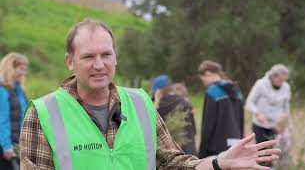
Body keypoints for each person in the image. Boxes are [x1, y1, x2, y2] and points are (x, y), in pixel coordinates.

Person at [20, 18, 280, 170]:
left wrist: (217, 163)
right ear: (69, 61)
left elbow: (174, 164)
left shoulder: (140, 103)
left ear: (115, 58)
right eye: (88, 56)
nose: (99, 64)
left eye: (106, 55)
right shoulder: (44, 113)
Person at [245, 64, 291, 167]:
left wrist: (287, 125)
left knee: (275, 152)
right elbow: (249, 102)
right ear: (273, 76)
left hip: (276, 126)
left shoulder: (286, 87)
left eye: (284, 80)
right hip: (260, 125)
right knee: (262, 153)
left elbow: (286, 107)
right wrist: (257, 113)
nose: (282, 82)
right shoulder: (260, 84)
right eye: (280, 79)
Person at [198, 60, 244, 158]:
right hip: (235, 143)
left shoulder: (212, 91)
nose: (204, 83)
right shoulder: (237, 91)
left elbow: (208, 124)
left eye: (203, 80)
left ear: (208, 74)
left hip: (216, 148)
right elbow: (241, 121)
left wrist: (202, 152)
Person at [0, 52, 28, 170]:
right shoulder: (2, 90)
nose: (23, 73)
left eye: (24, 69)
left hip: (16, 144)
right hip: (5, 147)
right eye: (20, 69)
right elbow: (2, 119)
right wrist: (6, 146)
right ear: (10, 68)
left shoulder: (18, 89)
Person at [153, 81, 197, 155]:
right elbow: (194, 129)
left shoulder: (161, 106)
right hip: (190, 147)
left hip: (171, 152)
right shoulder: (185, 102)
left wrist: (156, 102)